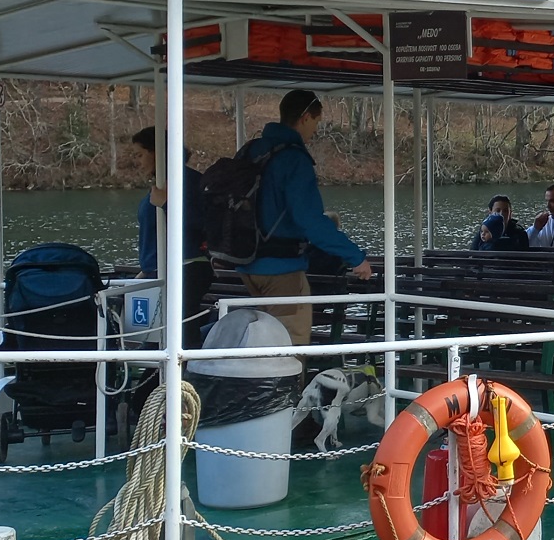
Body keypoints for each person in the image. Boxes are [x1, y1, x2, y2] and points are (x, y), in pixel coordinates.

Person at [240, 89, 372, 344]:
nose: (316, 130)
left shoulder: (252, 150)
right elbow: (309, 219)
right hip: (281, 270)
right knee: (290, 345)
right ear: (305, 118)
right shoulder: (293, 158)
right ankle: (289, 386)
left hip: (246, 264)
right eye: (317, 122)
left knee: (260, 343)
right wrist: (356, 257)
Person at [130, 126, 212, 347]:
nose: (137, 161)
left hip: (187, 268)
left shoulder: (189, 182)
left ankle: (185, 376)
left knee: (180, 331)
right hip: (158, 271)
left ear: (156, 152)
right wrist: (146, 269)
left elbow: (202, 224)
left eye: (140, 154)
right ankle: (151, 377)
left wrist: (166, 204)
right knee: (149, 332)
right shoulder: (160, 184)